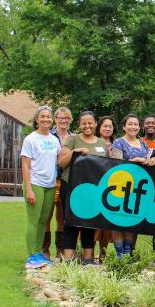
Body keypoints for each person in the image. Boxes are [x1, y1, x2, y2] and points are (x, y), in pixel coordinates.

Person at [57, 111, 108, 264]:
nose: (87, 126)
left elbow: (106, 167)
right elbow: (61, 163)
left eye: (90, 123)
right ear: (79, 124)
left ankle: (88, 258)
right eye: (84, 123)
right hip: (71, 186)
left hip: (92, 189)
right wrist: (74, 152)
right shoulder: (73, 139)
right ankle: (68, 260)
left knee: (89, 221)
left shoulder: (102, 144)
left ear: (95, 124)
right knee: (71, 221)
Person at [111, 114, 155, 256]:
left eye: (136, 124)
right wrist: (134, 160)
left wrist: (151, 161)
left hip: (138, 188)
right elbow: (116, 164)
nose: (133, 127)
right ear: (124, 127)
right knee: (118, 221)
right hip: (120, 186)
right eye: (130, 124)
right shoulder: (118, 142)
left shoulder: (143, 143)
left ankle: (127, 252)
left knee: (132, 220)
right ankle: (119, 254)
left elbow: (146, 163)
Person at [22, 106, 60, 264]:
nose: (46, 119)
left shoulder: (54, 140)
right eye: (42, 116)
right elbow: (25, 166)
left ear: (52, 120)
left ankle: (38, 253)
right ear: (37, 120)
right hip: (35, 184)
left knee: (44, 221)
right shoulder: (30, 139)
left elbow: (59, 159)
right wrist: (29, 190)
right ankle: (31, 255)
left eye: (48, 116)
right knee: (34, 220)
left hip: (50, 185)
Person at [42, 106, 73, 256]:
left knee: (62, 216)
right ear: (55, 119)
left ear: (70, 120)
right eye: (61, 118)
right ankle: (45, 249)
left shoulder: (74, 137)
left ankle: (60, 249)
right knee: (47, 215)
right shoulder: (49, 135)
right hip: (51, 178)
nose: (64, 121)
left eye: (67, 118)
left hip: (66, 179)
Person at [94, 115, 117, 259]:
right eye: (105, 126)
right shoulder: (93, 142)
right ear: (99, 127)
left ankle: (103, 252)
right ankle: (88, 251)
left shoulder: (117, 145)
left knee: (107, 222)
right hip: (96, 185)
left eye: (110, 126)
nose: (107, 128)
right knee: (94, 221)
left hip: (112, 187)